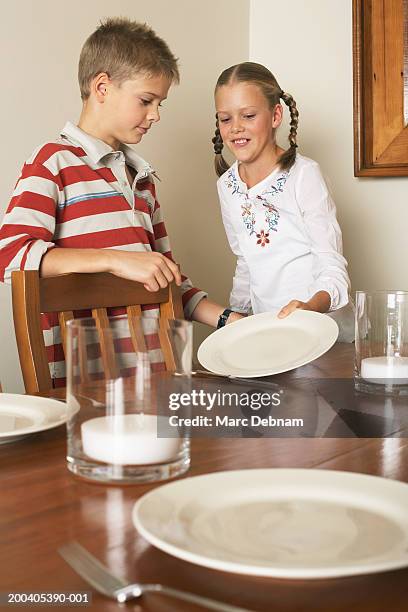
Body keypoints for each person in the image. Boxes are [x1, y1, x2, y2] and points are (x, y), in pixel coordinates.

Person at [0, 18, 241, 385]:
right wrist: (116, 262)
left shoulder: (141, 180)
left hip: (157, 378)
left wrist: (229, 320)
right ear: (102, 87)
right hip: (87, 386)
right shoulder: (53, 163)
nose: (155, 115)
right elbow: (9, 255)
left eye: (160, 103)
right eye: (146, 100)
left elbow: (166, 277)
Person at [212, 62, 354, 341]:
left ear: (276, 115)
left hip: (323, 334)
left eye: (249, 115)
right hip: (272, 334)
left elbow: (332, 266)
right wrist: (237, 320)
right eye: (225, 119)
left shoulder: (304, 175)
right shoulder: (226, 186)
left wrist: (309, 309)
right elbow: (245, 260)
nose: (236, 128)